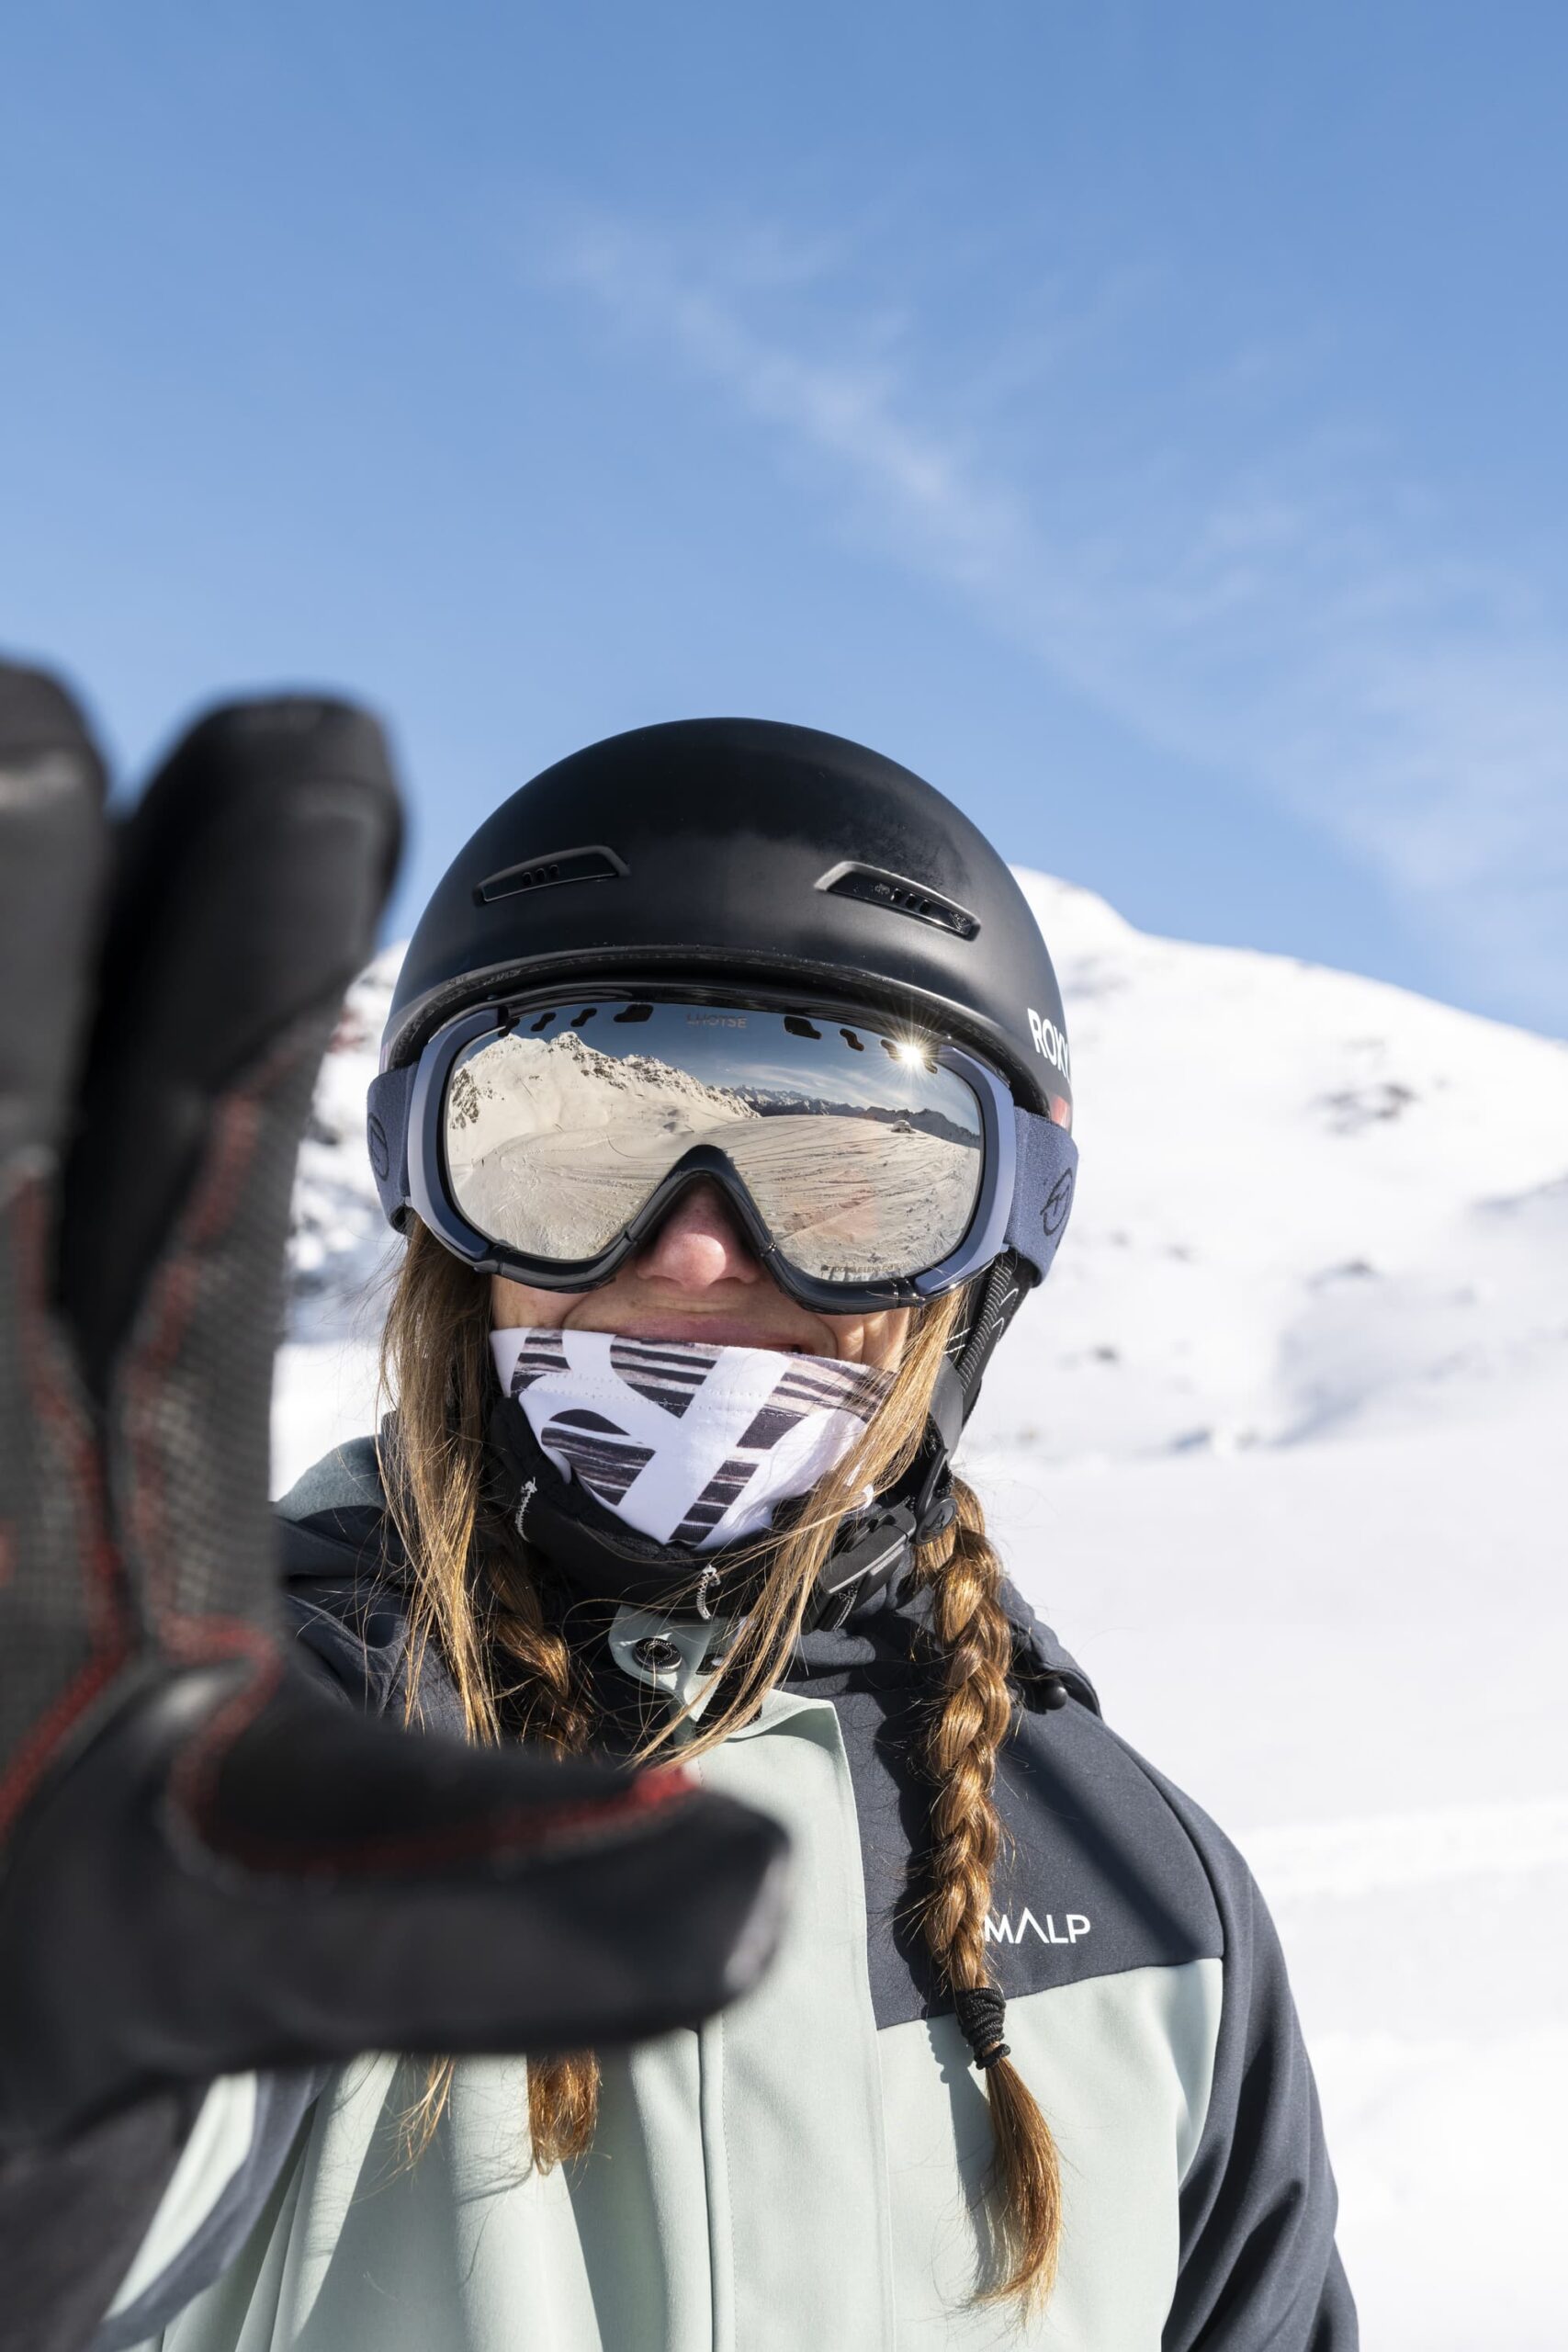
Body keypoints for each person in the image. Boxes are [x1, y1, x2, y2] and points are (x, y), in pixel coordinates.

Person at [1, 683, 1354, 2349]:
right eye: (569, 1151)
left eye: (852, 1174)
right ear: (439, 1223)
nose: (697, 1254)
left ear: (994, 1248)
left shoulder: (1152, 1908)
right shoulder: (199, 1776)